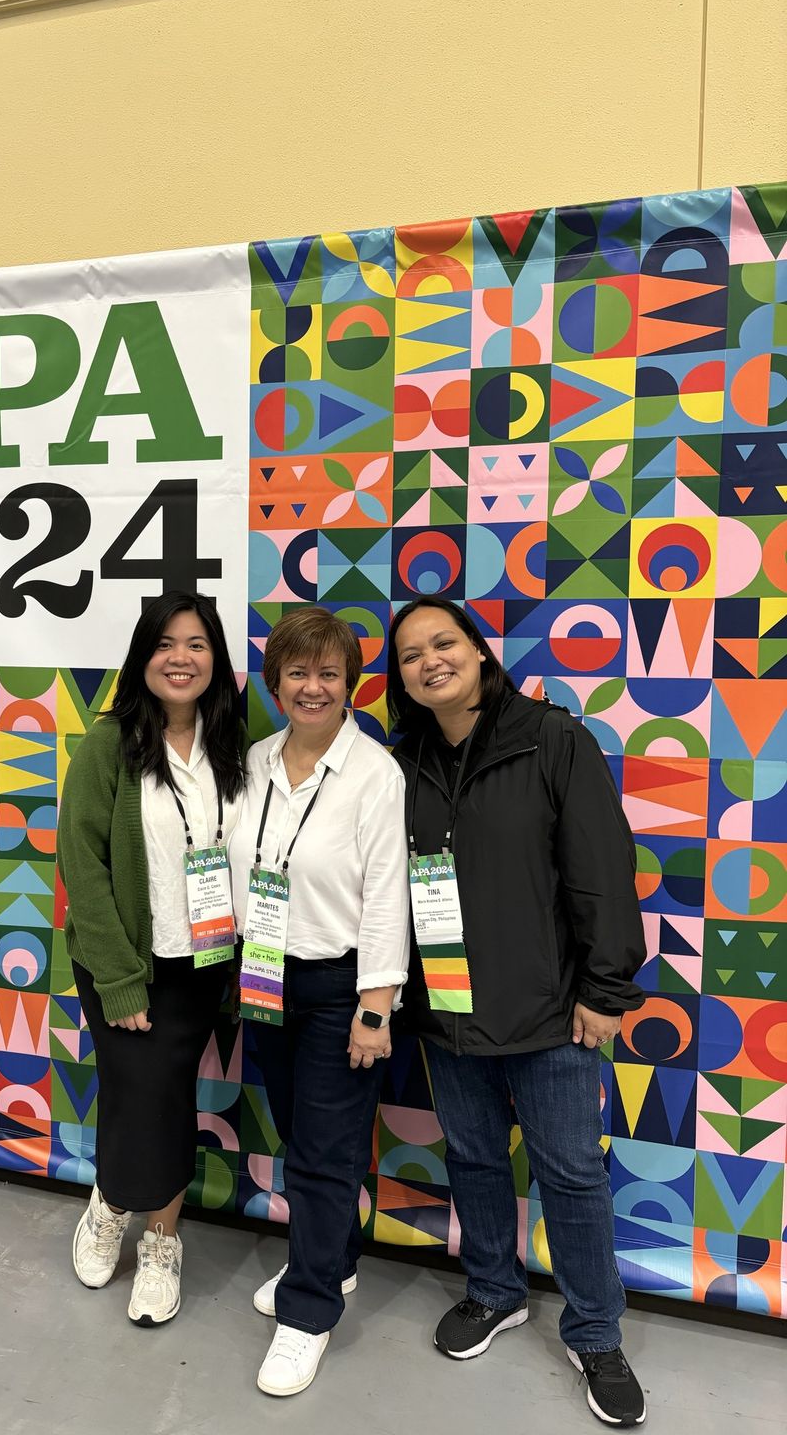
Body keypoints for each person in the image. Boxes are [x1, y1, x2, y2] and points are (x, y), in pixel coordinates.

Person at [387, 594, 648, 1428]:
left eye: (444, 643)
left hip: (550, 1011)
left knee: (570, 1171)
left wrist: (605, 989)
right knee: (473, 1158)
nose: (430, 661)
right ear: (400, 679)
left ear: (478, 650)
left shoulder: (552, 739)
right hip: (447, 1007)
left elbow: (602, 870)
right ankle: (495, 1291)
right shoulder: (401, 761)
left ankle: (596, 1333)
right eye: (410, 655)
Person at [228, 606, 409, 1397]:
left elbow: (388, 899)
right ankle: (333, 1261)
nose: (313, 687)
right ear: (275, 683)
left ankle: (307, 1315)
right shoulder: (256, 761)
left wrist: (375, 1008)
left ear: (350, 685)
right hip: (264, 975)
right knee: (299, 1133)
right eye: (297, 672)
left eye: (328, 673)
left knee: (326, 1153)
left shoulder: (375, 774)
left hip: (341, 987)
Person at [56, 591, 247, 1326]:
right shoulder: (109, 743)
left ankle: (162, 1238)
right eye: (165, 644)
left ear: (215, 658)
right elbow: (83, 866)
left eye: (197, 644)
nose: (180, 658)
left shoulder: (233, 741)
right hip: (125, 961)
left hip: (202, 963)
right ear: (142, 656)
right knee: (137, 1089)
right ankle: (112, 1204)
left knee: (166, 1094)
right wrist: (119, 978)